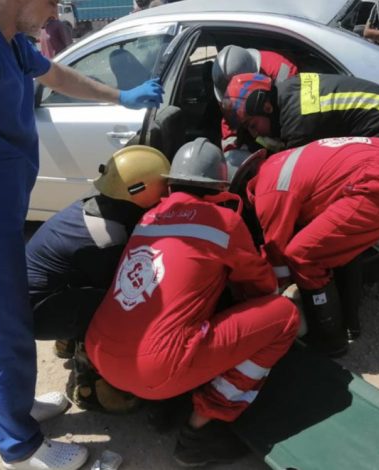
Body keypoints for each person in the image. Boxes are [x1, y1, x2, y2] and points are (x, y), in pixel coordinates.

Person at [0, 0, 164, 468]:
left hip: (2, 212)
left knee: (11, 321)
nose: (55, 14)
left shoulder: (7, 38)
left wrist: (120, 96)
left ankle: (17, 407)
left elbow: (57, 76)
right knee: (2, 331)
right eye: (51, 2)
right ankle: (20, 447)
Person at [85, 138, 300, 467]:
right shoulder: (224, 222)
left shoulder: (149, 216)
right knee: (283, 316)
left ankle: (164, 403)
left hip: (101, 353)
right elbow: (261, 286)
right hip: (155, 368)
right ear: (221, 186)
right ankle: (202, 431)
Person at [246, 137, 379, 355]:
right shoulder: (282, 161)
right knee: (334, 244)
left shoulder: (267, 191)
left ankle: (330, 341)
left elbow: (277, 253)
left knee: (303, 255)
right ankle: (349, 324)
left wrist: (262, 300)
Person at [26, 145, 170, 412]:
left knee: (93, 292)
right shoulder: (105, 238)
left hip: (37, 294)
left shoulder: (96, 200)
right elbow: (117, 290)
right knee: (119, 306)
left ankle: (67, 340)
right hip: (35, 314)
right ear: (140, 191)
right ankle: (89, 385)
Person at [221, 72, 379, 172]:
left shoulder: (298, 121)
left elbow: (292, 174)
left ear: (267, 107)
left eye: (252, 125)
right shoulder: (286, 92)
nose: (254, 134)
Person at [211, 45, 298, 156]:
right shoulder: (226, 87)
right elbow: (231, 121)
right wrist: (232, 151)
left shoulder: (283, 74)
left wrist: (277, 147)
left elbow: (291, 118)